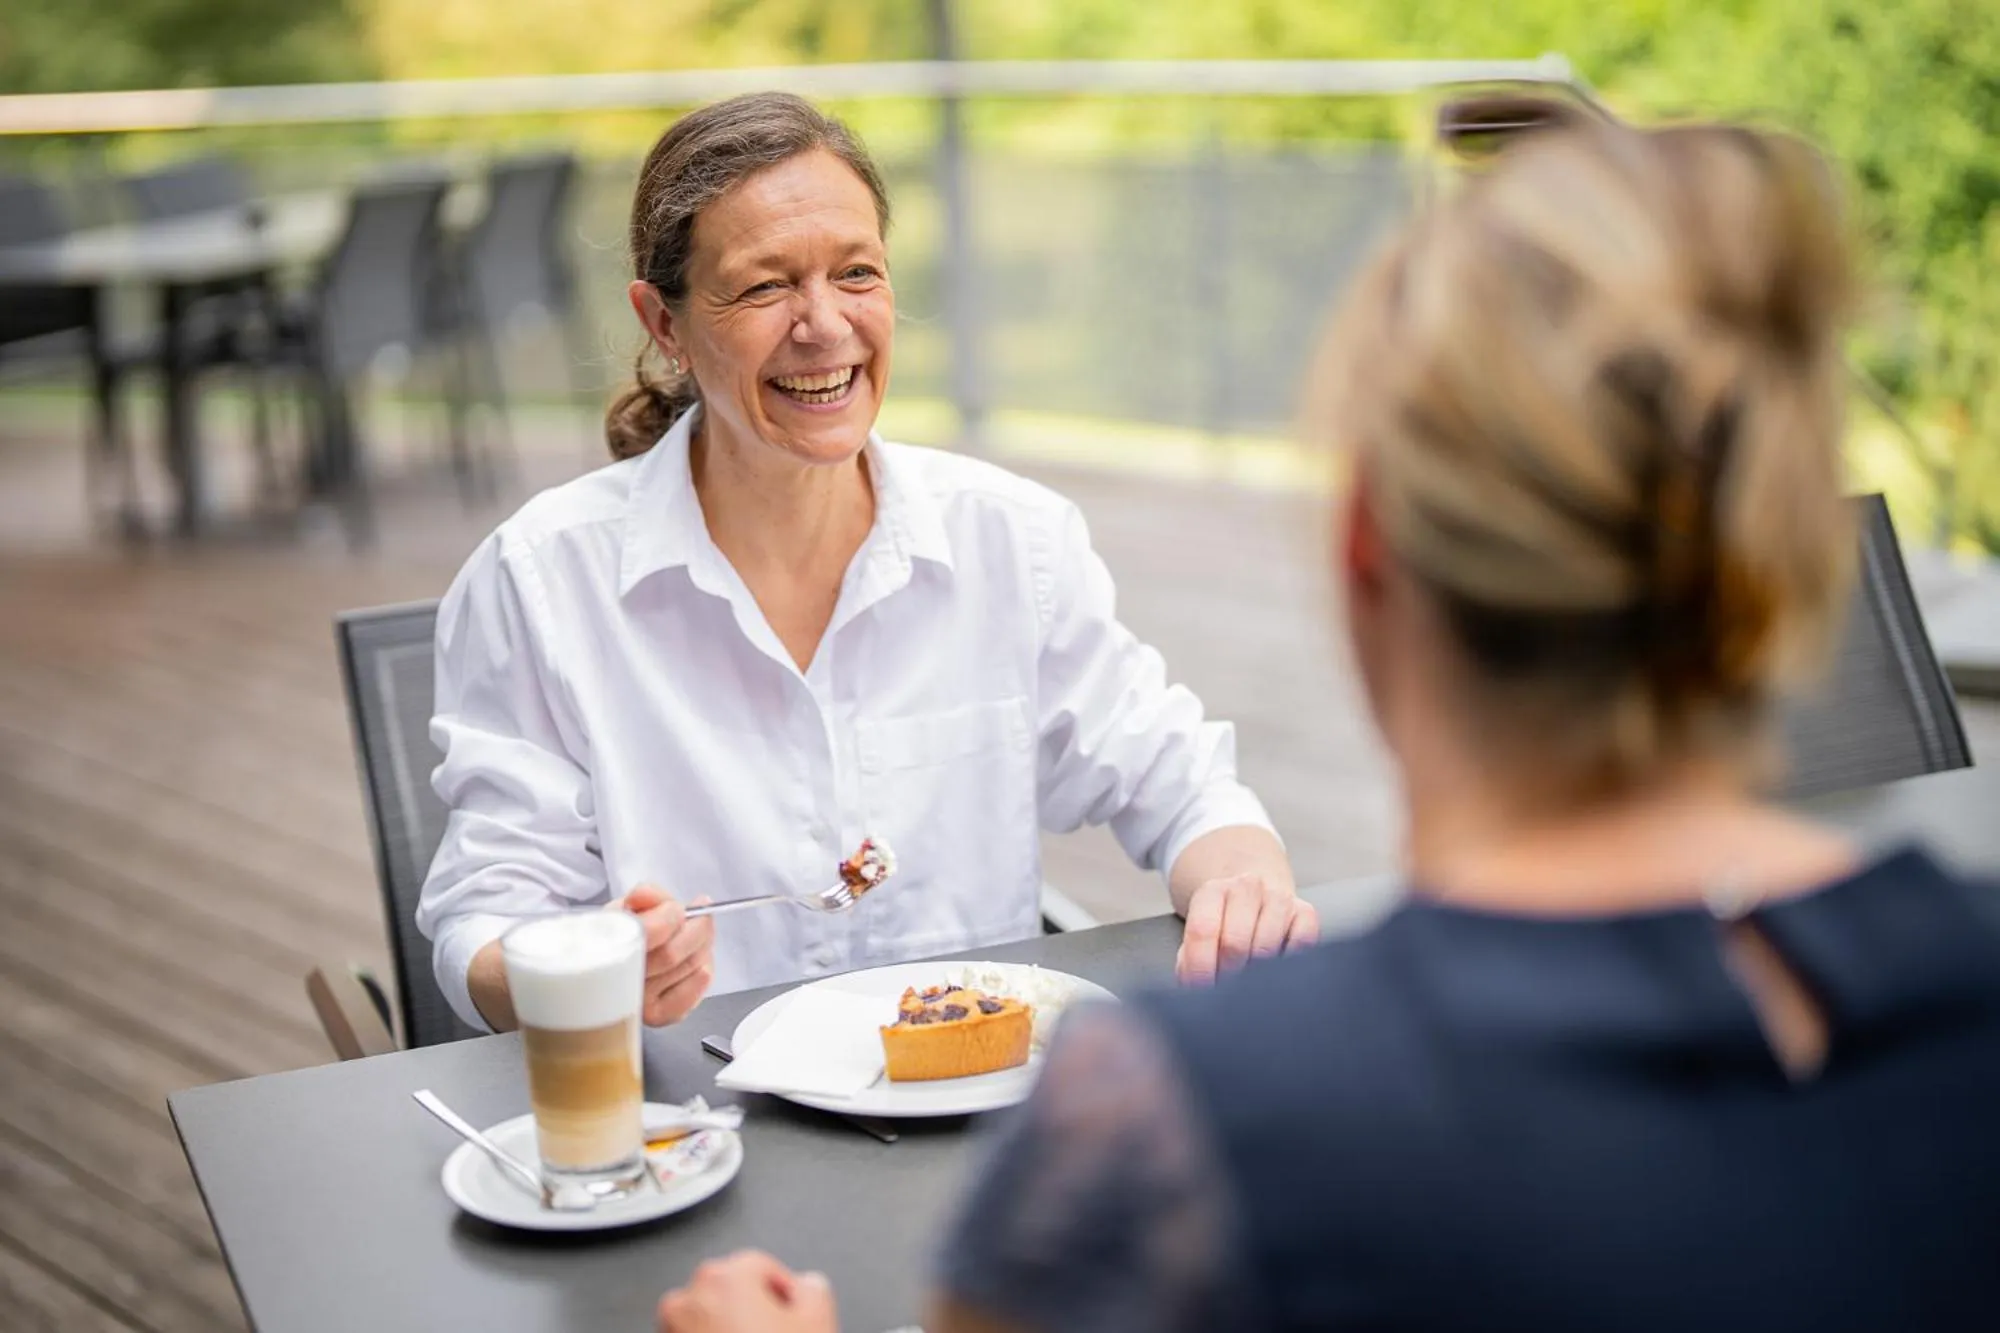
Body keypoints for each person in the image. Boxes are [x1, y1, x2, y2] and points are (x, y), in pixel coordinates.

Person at [655, 119, 2000, 1331]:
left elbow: (1162, 764)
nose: (823, 321)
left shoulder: (1181, 1132)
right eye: (769, 286)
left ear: (1368, 555)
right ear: (1773, 562)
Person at [417, 91, 1314, 1033]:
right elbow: (486, 918)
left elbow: (1182, 783)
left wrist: (1244, 887)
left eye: (856, 273)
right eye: (765, 286)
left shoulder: (1015, 542)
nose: (824, 325)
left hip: (973, 1099)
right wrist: (584, 969)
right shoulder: (537, 580)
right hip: (695, 1120)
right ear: (665, 323)